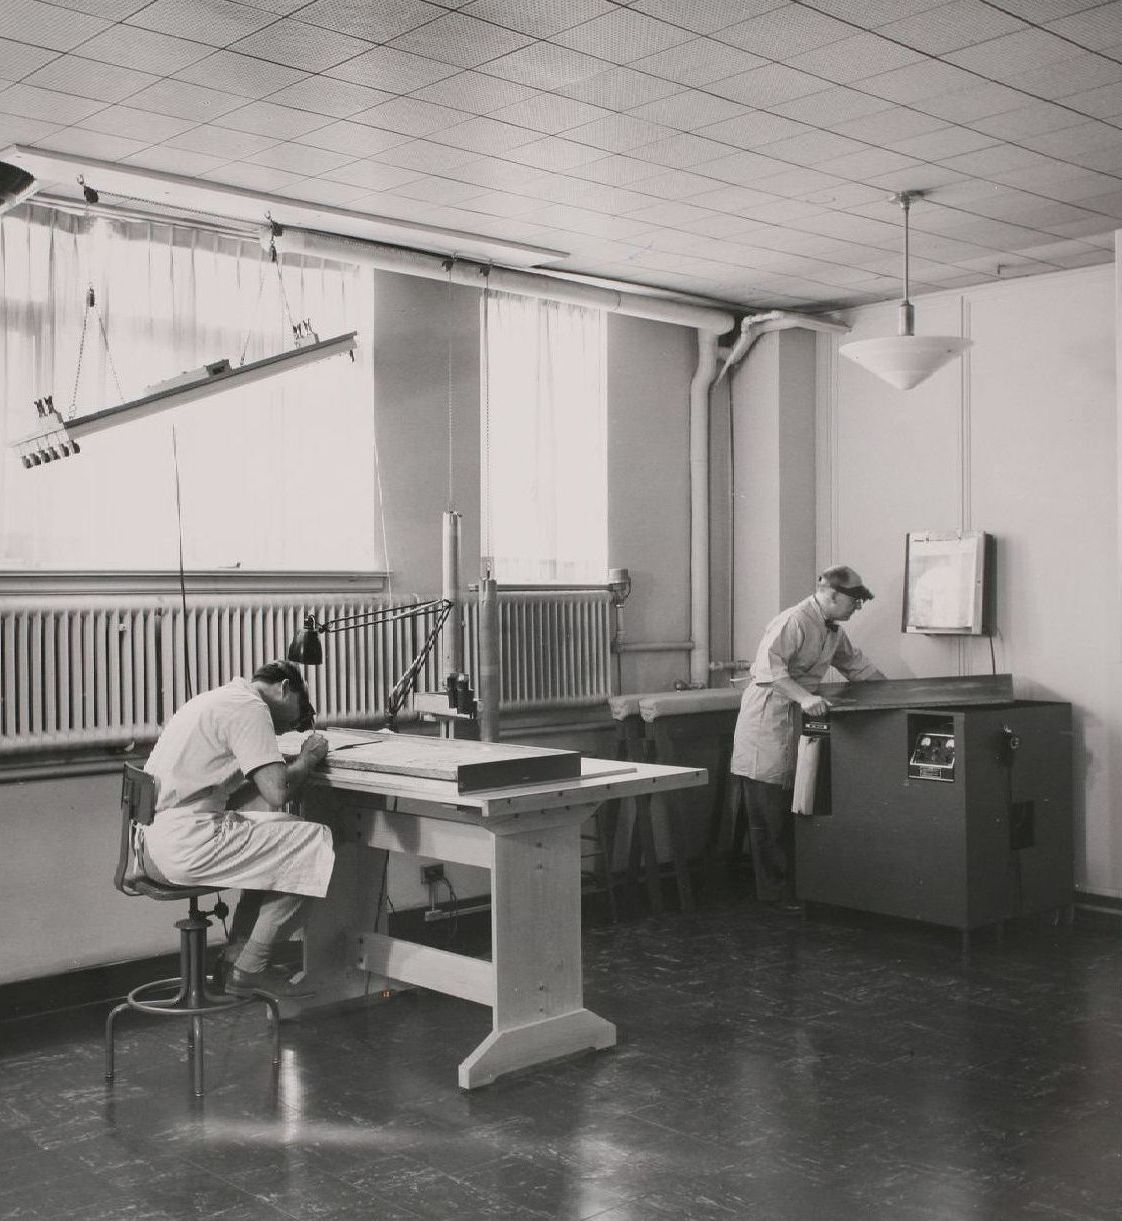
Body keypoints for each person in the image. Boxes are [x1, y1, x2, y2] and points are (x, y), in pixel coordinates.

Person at [141, 659, 333, 998]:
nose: (290, 725)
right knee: (314, 842)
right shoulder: (250, 707)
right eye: (296, 714)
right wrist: (308, 758)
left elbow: (242, 792)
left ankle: (233, 960)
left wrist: (275, 769)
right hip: (183, 844)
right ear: (284, 688)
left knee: (283, 833)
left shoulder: (217, 699)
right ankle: (249, 970)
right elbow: (277, 792)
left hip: (153, 843)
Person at [731, 566, 885, 912]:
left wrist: (899, 694)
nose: (857, 607)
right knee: (769, 812)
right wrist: (803, 697)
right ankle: (775, 894)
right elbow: (768, 670)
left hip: (798, 720)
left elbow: (857, 667)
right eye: (854, 600)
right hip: (767, 722)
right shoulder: (794, 621)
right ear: (831, 594)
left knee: (795, 807)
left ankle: (797, 888)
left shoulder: (832, 631)